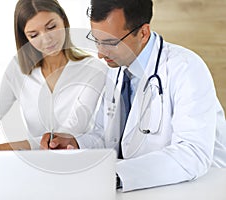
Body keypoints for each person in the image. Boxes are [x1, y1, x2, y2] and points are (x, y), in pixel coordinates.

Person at [40, 0, 226, 192]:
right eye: (97, 40)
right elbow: (106, 136)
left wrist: (117, 175)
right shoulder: (117, 67)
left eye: (110, 42)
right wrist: (76, 143)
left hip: (200, 188)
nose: (100, 54)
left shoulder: (186, 68)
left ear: (143, 33)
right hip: (139, 190)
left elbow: (193, 154)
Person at [0, 0, 107, 166]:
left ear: (64, 20)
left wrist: (0, 149)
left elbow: (66, 135)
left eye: (51, 27)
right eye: (34, 35)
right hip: (32, 167)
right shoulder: (18, 69)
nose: (46, 40)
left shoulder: (94, 70)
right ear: (25, 37)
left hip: (78, 165)